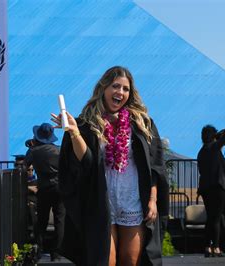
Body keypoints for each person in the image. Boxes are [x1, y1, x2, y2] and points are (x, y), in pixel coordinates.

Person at [54, 66, 168, 266]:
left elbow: (155, 166)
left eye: (125, 89)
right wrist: (74, 133)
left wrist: (152, 199)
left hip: (132, 200)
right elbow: (86, 162)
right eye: (116, 86)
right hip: (101, 201)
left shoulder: (142, 124)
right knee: (106, 260)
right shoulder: (87, 123)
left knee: (131, 260)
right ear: (103, 88)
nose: (120, 93)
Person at [25, 123, 65, 261]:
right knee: (60, 220)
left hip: (43, 187)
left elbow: (24, 166)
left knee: (42, 219)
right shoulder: (59, 150)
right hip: (59, 188)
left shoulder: (33, 151)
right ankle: (56, 253)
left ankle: (39, 249)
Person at [197, 125, 225, 257]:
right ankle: (216, 247)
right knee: (216, 218)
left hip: (205, 188)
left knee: (210, 218)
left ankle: (207, 246)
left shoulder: (201, 152)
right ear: (213, 136)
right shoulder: (214, 147)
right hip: (217, 187)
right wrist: (219, 135)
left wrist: (216, 137)